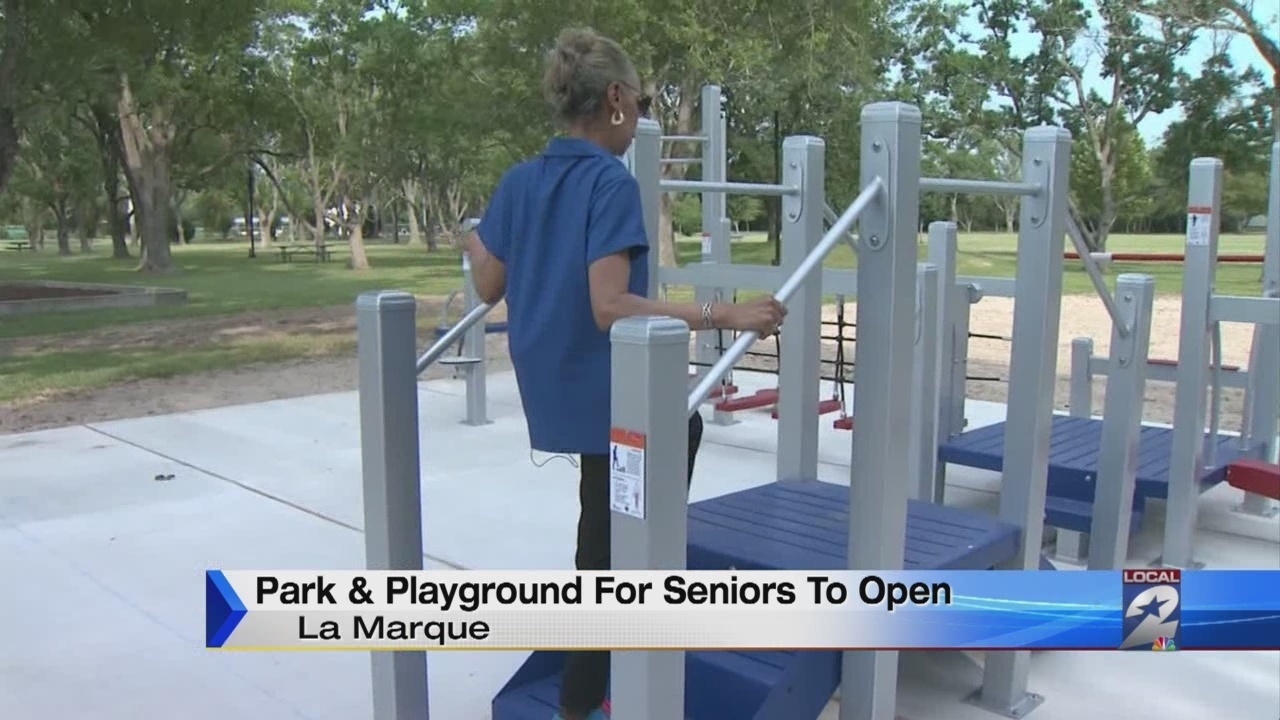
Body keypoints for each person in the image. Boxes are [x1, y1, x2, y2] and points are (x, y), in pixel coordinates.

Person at [465, 27, 787, 720]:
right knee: (627, 554)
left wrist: (476, 231)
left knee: (602, 544)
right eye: (640, 100)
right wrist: (724, 315)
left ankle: (592, 692)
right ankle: (605, 692)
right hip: (609, 399)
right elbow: (610, 307)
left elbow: (486, 282)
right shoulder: (610, 181)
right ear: (614, 99)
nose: (642, 112)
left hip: (553, 393)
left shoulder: (521, 181)